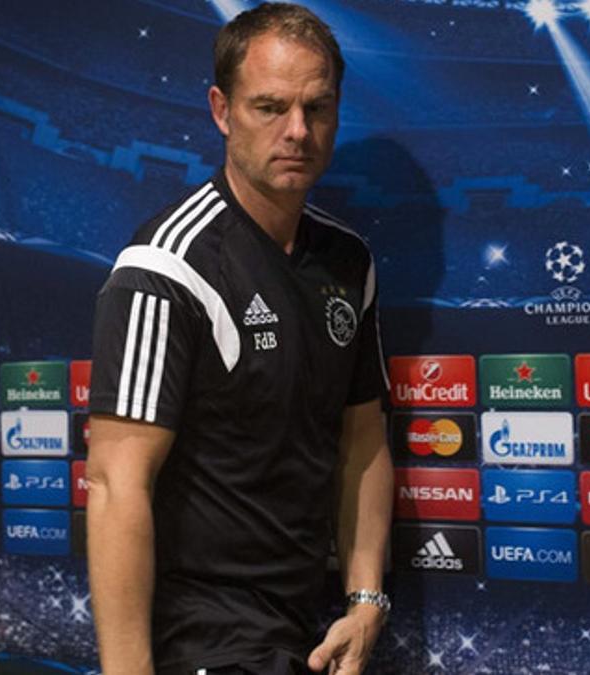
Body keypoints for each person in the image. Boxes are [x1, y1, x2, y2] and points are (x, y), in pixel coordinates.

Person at [85, 4, 394, 674]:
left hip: (302, 629)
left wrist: (365, 598)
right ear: (222, 111)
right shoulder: (165, 265)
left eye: (318, 107)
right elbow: (115, 482)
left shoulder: (349, 260)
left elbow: (363, 441)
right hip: (196, 637)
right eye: (270, 107)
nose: (298, 131)